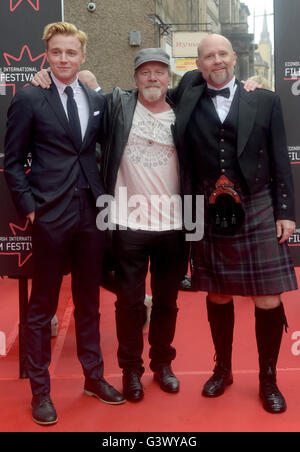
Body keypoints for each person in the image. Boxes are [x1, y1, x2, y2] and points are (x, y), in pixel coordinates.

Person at [4, 22, 125, 426]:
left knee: (90, 303)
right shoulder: (29, 98)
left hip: (91, 213)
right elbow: (12, 161)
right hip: (50, 214)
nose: (64, 59)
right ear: (46, 54)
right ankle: (41, 391)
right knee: (43, 307)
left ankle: (94, 377)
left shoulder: (94, 96)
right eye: (56, 52)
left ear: (83, 56)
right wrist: (31, 209)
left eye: (71, 53)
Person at [170, 34, 297, 414]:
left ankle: (268, 378)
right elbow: (156, 88)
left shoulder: (265, 99)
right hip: (208, 206)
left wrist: (286, 211)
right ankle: (222, 369)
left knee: (268, 297)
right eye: (208, 56)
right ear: (199, 64)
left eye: (223, 53)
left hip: (257, 203)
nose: (217, 60)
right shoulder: (188, 98)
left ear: (234, 57)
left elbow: (279, 157)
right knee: (217, 293)